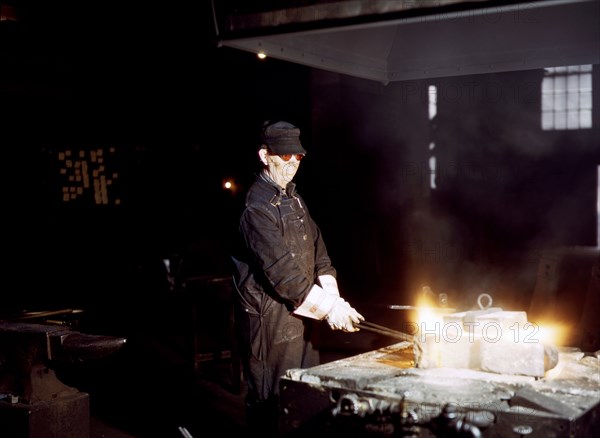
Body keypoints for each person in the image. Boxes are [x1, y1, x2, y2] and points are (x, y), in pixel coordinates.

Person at [231, 120, 364, 435]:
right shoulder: (256, 208)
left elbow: (319, 252)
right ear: (265, 155)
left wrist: (334, 297)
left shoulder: (293, 197)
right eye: (285, 157)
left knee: (303, 392)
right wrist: (329, 309)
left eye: (298, 158)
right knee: (272, 401)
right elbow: (283, 274)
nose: (292, 165)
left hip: (300, 314)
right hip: (268, 323)